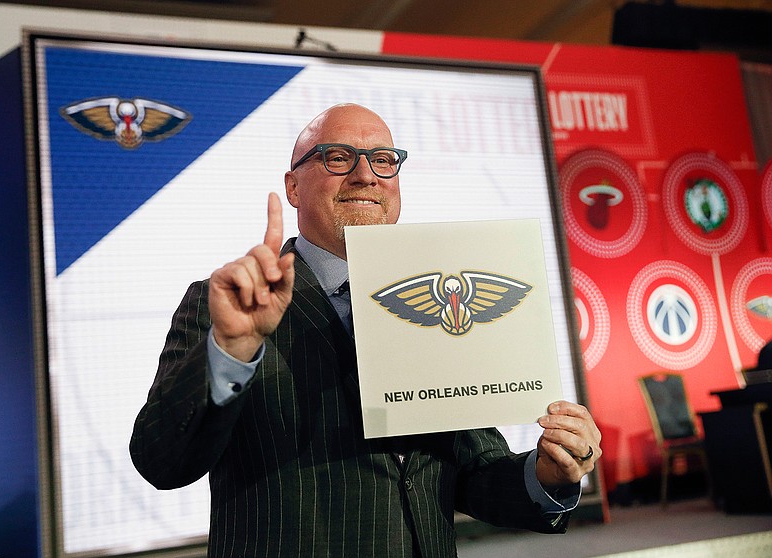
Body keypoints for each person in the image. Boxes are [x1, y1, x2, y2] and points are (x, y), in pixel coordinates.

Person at [130, 103, 602, 557]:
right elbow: (162, 461)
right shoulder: (227, 306)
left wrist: (548, 474)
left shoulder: (439, 303)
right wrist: (231, 350)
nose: (365, 175)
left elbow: (469, 471)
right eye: (338, 158)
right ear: (293, 188)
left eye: (382, 160)